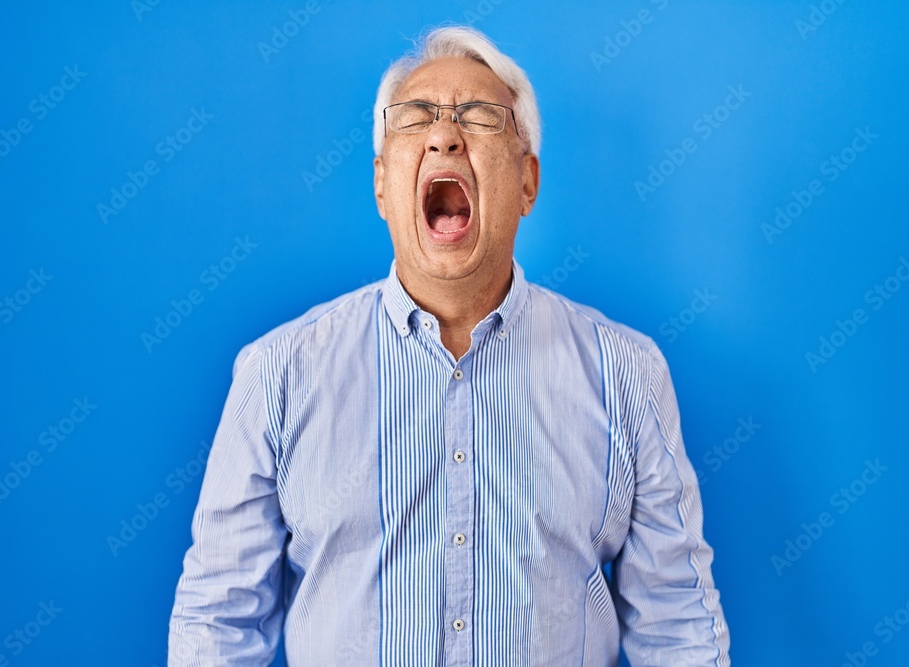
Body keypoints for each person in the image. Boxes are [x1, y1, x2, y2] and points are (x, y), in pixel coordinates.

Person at [168, 25, 730, 666]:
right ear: (382, 183)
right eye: (415, 119)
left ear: (526, 182)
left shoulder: (626, 373)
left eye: (480, 117)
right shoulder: (277, 374)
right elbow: (216, 624)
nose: (444, 135)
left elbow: (678, 623)